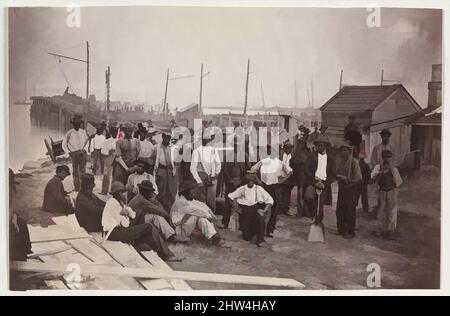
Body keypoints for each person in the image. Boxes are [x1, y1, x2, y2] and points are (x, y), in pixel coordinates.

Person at [102, 181, 181, 261]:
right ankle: (167, 255)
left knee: (141, 215)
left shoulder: (120, 203)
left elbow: (132, 216)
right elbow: (126, 224)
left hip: (118, 230)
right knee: (148, 227)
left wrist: (127, 213)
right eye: (123, 192)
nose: (125, 194)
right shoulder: (113, 204)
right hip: (114, 233)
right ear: (118, 193)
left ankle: (143, 244)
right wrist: (127, 214)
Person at [251, 145, 291, 238]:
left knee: (274, 209)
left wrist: (282, 180)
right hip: (264, 187)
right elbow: (252, 170)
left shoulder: (279, 163)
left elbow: (290, 171)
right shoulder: (262, 162)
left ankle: (270, 230)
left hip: (276, 187)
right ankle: (260, 230)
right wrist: (258, 180)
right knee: (262, 208)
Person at [170, 180, 225, 246]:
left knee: (201, 215)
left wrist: (211, 215)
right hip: (178, 231)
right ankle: (213, 236)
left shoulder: (186, 200)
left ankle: (213, 235)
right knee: (199, 216)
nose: (194, 192)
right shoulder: (181, 203)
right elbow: (198, 211)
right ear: (185, 192)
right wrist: (211, 217)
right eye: (191, 190)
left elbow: (201, 205)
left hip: (182, 226)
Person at [228, 170, 273, 247]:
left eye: (252, 180)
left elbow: (270, 200)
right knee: (246, 238)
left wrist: (264, 210)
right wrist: (237, 209)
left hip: (255, 211)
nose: (250, 182)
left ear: (254, 181)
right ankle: (251, 234)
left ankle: (260, 239)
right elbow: (230, 197)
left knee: (260, 216)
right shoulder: (242, 188)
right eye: (248, 180)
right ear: (246, 181)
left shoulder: (258, 189)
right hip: (245, 213)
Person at [304, 134, 336, 223]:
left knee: (320, 203)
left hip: (324, 183)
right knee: (308, 196)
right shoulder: (312, 156)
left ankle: (318, 222)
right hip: (312, 182)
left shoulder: (330, 158)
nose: (319, 147)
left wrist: (325, 183)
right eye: (318, 145)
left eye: (322, 145)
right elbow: (306, 169)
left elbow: (333, 174)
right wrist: (314, 181)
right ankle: (312, 214)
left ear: (325, 146)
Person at [371, 149, 402, 240]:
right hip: (382, 191)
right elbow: (372, 177)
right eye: (385, 156)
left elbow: (399, 182)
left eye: (389, 157)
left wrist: (392, 172)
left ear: (391, 158)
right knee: (382, 211)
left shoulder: (394, 169)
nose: (387, 159)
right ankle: (381, 230)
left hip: (391, 191)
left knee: (392, 211)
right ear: (382, 157)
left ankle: (390, 231)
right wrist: (379, 175)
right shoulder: (378, 167)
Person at [190, 130, 222, 212]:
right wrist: (198, 181)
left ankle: (211, 222)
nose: (207, 140)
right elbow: (192, 168)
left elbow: (218, 164)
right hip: (201, 179)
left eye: (209, 138)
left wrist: (215, 175)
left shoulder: (213, 150)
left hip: (211, 179)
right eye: (205, 138)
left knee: (211, 202)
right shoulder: (197, 151)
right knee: (200, 202)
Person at [335, 143, 362, 239]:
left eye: (344, 150)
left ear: (348, 151)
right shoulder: (341, 162)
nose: (342, 152)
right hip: (342, 189)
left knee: (350, 210)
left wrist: (348, 180)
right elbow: (336, 173)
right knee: (340, 210)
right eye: (341, 150)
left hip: (351, 189)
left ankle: (350, 231)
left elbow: (358, 178)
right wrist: (339, 177)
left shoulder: (354, 162)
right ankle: (341, 229)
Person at [220, 138, 247, 229]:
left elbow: (248, 170)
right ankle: (225, 222)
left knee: (242, 203)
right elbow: (224, 169)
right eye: (234, 144)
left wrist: (241, 181)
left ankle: (242, 224)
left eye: (238, 144)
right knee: (228, 203)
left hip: (240, 183)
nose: (236, 146)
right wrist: (230, 180)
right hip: (230, 183)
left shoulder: (245, 156)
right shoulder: (227, 156)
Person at [9, 169, 32, 261]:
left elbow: (12, 209)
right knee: (18, 228)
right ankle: (18, 257)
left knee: (21, 222)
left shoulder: (10, 191)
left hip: (9, 219)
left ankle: (25, 251)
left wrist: (14, 217)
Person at [62, 114, 89, 191]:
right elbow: (64, 144)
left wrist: (85, 150)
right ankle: (77, 186)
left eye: (78, 124)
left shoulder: (83, 132)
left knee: (82, 171)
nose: (76, 125)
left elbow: (87, 142)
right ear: (73, 124)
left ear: (80, 124)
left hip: (82, 153)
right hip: (74, 154)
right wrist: (69, 153)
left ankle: (82, 187)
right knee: (75, 171)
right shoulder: (69, 133)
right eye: (75, 124)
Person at [154, 129, 178, 211]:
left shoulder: (174, 148)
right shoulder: (157, 147)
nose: (167, 139)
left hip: (171, 172)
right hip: (161, 170)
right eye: (166, 137)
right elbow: (153, 159)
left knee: (171, 191)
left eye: (169, 137)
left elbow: (176, 161)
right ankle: (161, 208)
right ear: (162, 137)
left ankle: (171, 209)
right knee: (161, 190)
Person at [290, 135, 311, 217]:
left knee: (305, 194)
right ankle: (300, 212)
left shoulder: (307, 152)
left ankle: (306, 212)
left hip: (306, 175)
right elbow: (293, 161)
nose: (300, 144)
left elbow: (309, 162)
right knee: (300, 193)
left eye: (301, 143)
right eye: (299, 142)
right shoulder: (296, 151)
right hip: (299, 174)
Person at [279, 141, 294, 215]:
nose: (289, 149)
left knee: (287, 193)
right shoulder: (280, 156)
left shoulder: (293, 156)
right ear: (284, 148)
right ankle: (280, 208)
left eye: (290, 148)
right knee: (280, 193)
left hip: (289, 178)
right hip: (281, 176)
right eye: (287, 148)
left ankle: (285, 209)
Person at [101, 127, 118, 195]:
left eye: (116, 133)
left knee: (115, 176)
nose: (115, 134)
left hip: (116, 160)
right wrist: (109, 152)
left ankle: (113, 190)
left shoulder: (118, 141)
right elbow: (102, 151)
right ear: (111, 133)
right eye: (114, 132)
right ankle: (104, 190)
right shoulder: (107, 141)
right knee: (106, 175)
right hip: (109, 159)